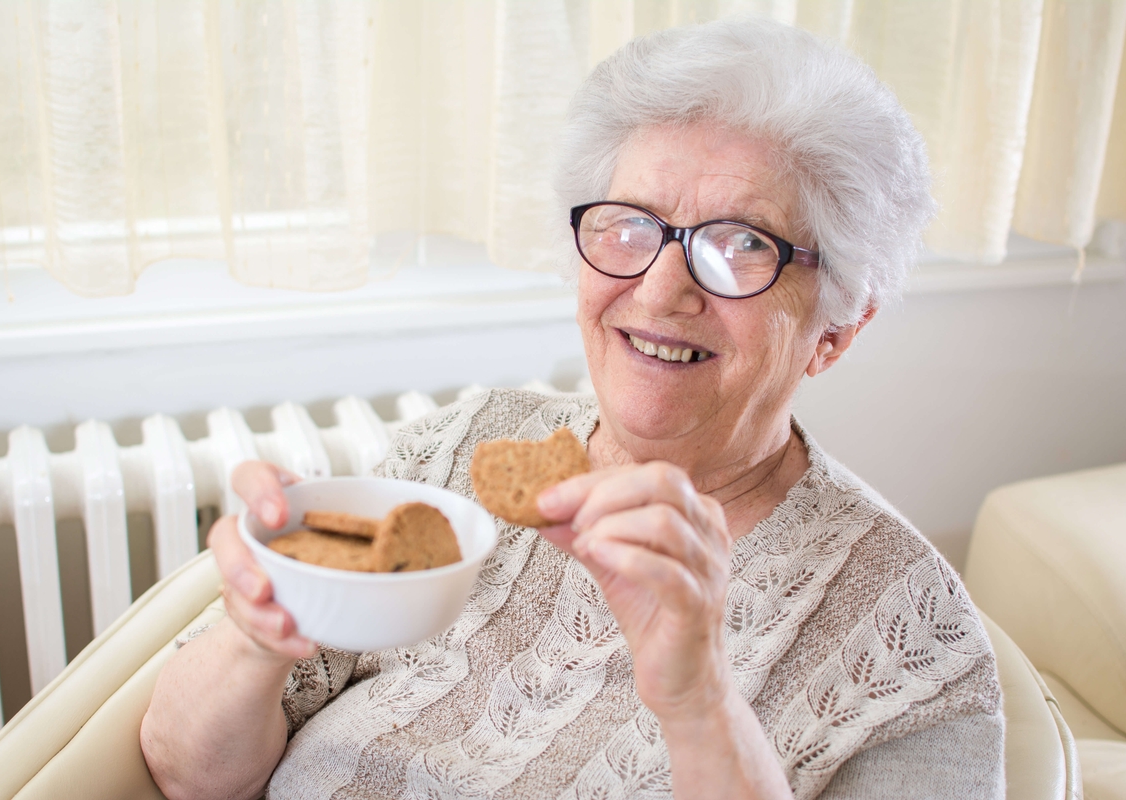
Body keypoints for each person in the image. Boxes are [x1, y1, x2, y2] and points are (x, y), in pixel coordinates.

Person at [141, 17, 1003, 800]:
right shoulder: (457, 452)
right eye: (631, 225)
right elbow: (189, 774)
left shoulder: (916, 646)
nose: (660, 290)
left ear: (836, 330)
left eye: (743, 244)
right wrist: (260, 632)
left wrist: (701, 703)